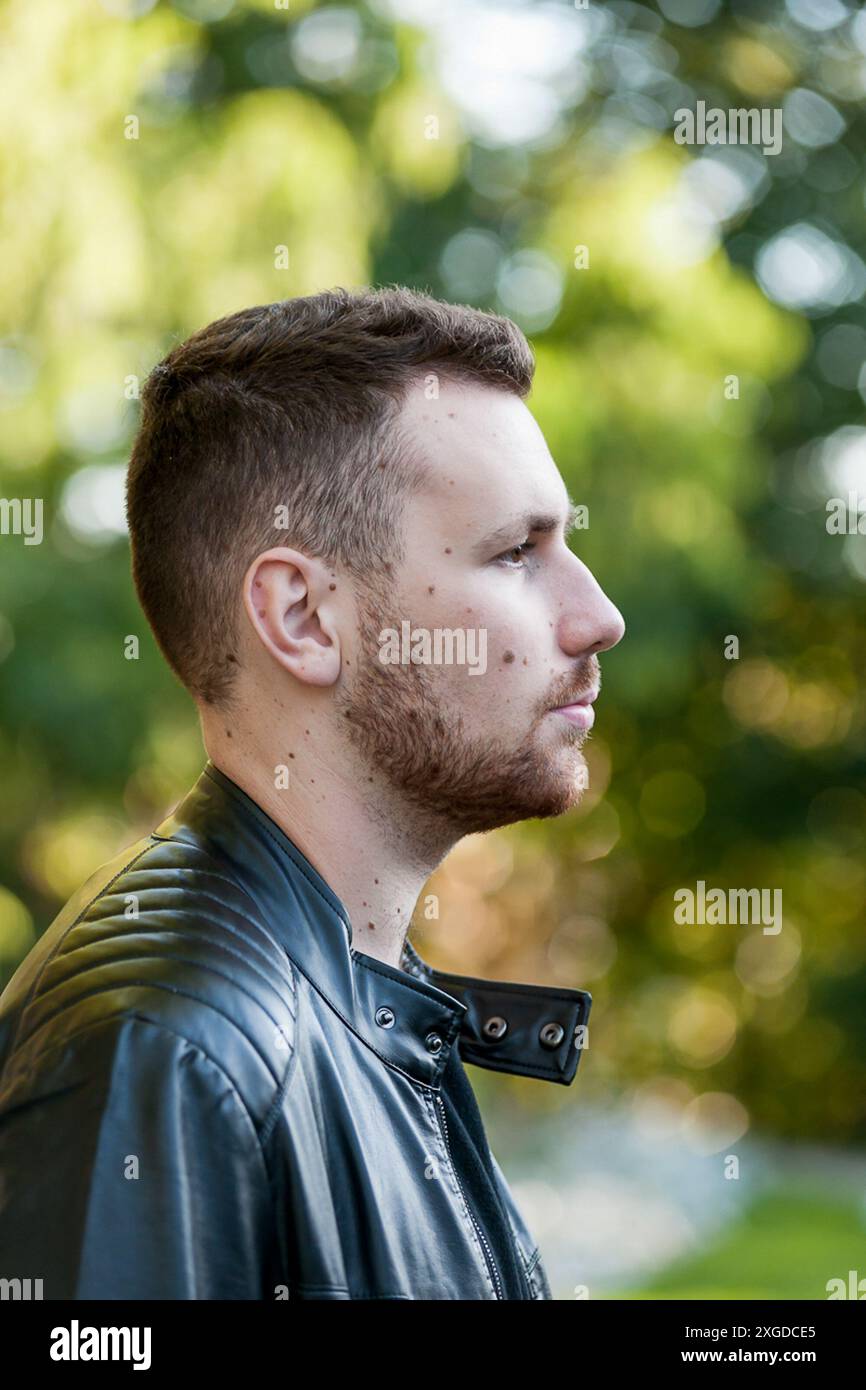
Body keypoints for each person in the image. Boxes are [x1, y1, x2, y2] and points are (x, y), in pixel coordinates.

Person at [0, 286, 625, 1299]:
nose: (597, 615)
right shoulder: (167, 1050)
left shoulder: (354, 1000)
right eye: (516, 551)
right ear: (300, 617)